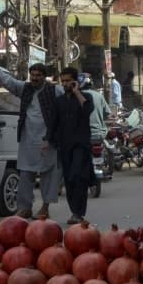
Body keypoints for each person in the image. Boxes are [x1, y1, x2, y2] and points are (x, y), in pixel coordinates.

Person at [0, 60, 59, 217]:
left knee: (48, 175)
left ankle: (45, 208)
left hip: (47, 140)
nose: (34, 78)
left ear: (44, 77)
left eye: (38, 76)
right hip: (28, 139)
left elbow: (68, 101)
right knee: (26, 175)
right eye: (32, 75)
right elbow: (9, 82)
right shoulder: (25, 89)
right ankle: (25, 208)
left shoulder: (54, 91)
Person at [51, 68, 95, 224]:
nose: (65, 84)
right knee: (69, 179)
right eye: (63, 81)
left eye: (68, 80)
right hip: (65, 146)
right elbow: (54, 123)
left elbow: (87, 110)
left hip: (81, 145)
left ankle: (78, 212)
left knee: (78, 176)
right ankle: (74, 212)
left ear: (75, 81)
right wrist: (48, 141)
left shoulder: (85, 97)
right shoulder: (59, 101)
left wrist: (77, 92)